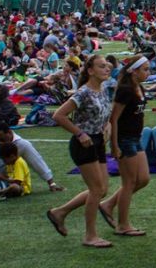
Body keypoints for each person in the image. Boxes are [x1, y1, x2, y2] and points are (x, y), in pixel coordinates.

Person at [46, 54, 115, 249]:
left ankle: (60, 212)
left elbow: (104, 114)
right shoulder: (83, 92)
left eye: (107, 66)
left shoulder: (103, 90)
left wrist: (107, 126)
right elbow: (59, 115)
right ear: (90, 70)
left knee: (102, 190)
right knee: (96, 190)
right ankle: (90, 235)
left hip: (98, 141)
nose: (107, 69)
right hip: (84, 143)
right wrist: (79, 133)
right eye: (102, 66)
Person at [100, 56, 151, 238]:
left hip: (135, 137)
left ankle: (108, 204)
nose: (148, 72)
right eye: (145, 69)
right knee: (129, 182)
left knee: (143, 179)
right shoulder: (125, 90)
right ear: (134, 71)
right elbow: (113, 118)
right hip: (125, 138)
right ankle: (123, 224)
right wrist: (114, 145)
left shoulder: (140, 88)